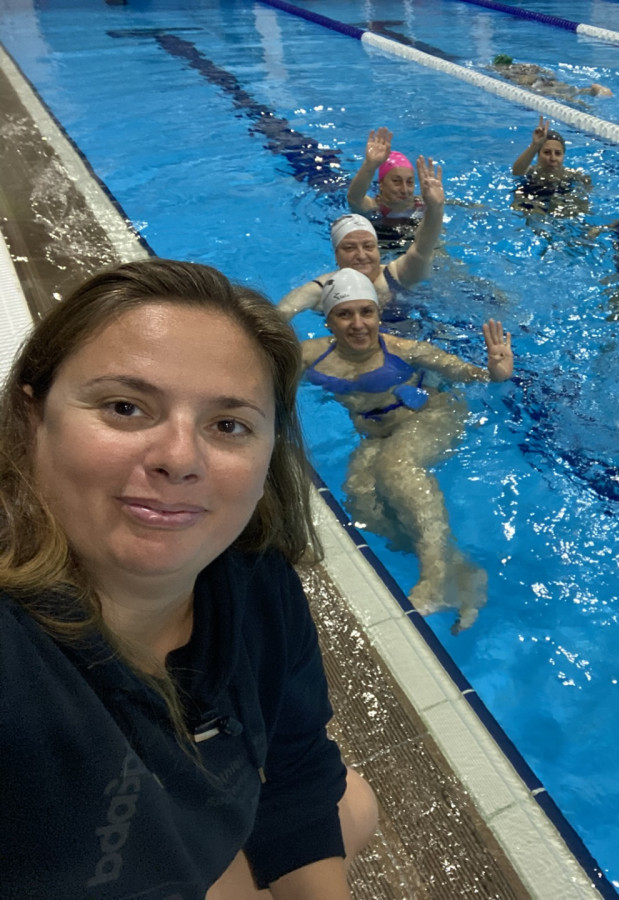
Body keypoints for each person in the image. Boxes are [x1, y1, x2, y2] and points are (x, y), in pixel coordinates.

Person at [0, 259, 378, 897]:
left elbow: (297, 772)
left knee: (354, 805)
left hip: (177, 847)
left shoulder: (254, 584)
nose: (179, 459)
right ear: (32, 417)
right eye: (125, 407)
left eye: (228, 425)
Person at [300, 269, 514, 631]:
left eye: (366, 312)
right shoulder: (309, 356)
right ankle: (460, 569)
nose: (358, 324)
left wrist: (495, 372)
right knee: (362, 500)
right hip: (378, 436)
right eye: (345, 314)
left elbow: (466, 372)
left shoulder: (402, 349)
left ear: (377, 315)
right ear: (329, 320)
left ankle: (434, 581)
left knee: (397, 466)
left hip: (433, 415)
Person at [278, 155, 444, 320]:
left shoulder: (398, 276)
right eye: (349, 248)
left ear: (378, 250)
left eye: (368, 246)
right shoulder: (323, 289)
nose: (361, 255)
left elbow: (423, 247)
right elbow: (282, 312)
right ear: (336, 255)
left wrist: (435, 208)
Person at [345, 126, 425, 250]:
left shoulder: (421, 204)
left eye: (409, 182)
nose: (404, 189)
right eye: (396, 181)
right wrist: (370, 165)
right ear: (381, 184)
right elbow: (354, 198)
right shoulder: (373, 207)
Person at [510, 116, 592, 215]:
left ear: (563, 156)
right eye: (547, 152)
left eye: (558, 153)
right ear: (538, 154)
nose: (553, 158)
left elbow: (585, 204)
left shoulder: (574, 176)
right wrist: (535, 145)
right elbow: (516, 172)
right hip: (532, 201)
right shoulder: (531, 172)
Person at [490, 54, 613, 103]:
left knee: (557, 95)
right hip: (545, 79)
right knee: (571, 89)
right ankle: (591, 90)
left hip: (534, 84)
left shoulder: (502, 69)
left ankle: (579, 103)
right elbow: (549, 73)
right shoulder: (527, 65)